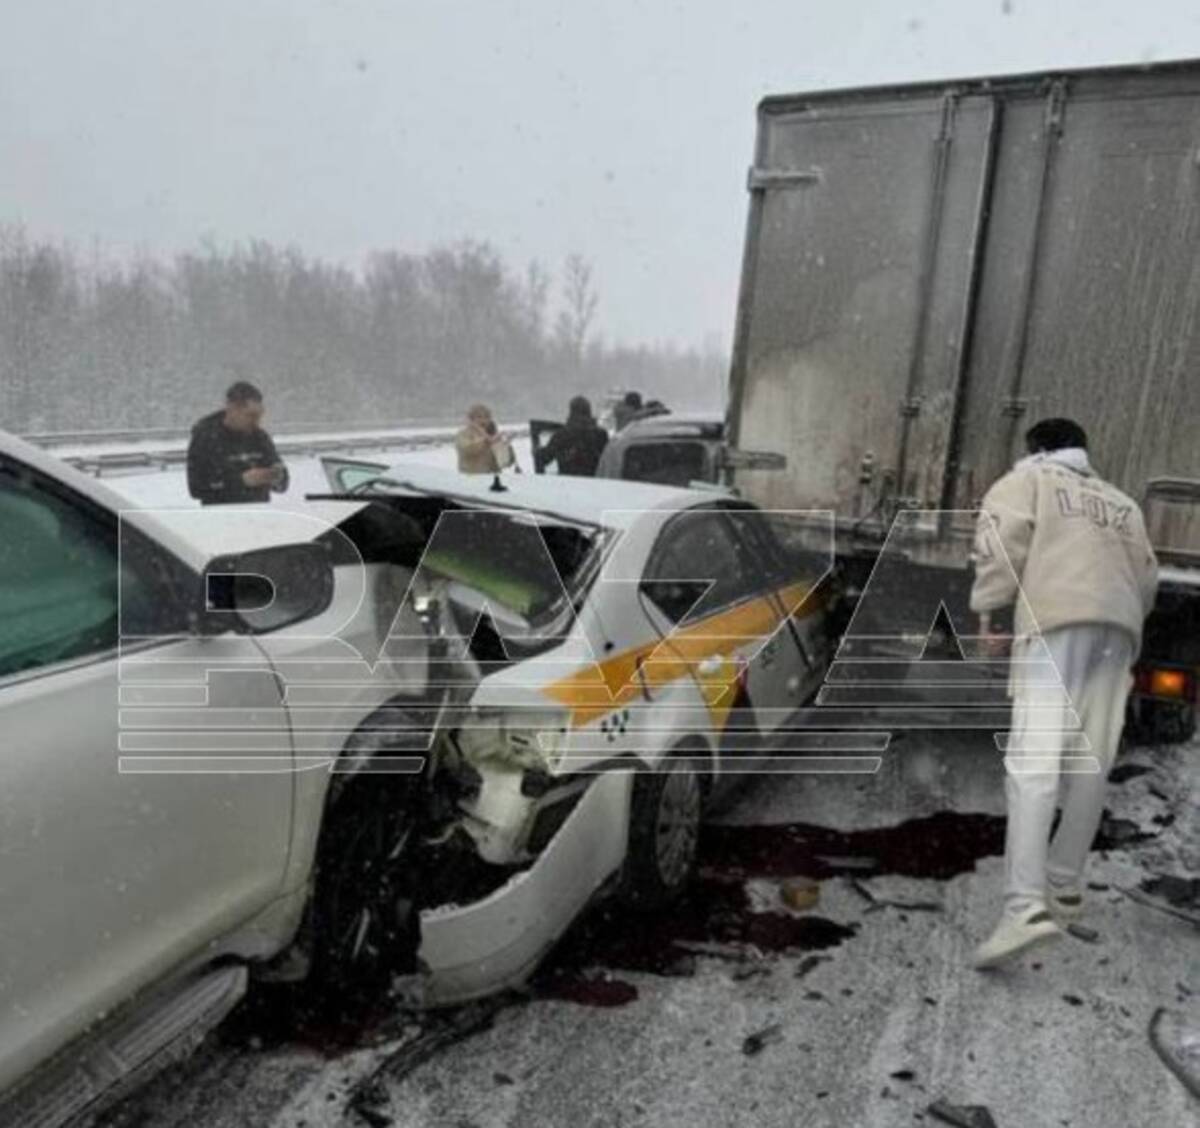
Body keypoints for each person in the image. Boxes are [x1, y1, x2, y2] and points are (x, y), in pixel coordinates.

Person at [969, 418, 1158, 969]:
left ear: (1036, 450)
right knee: (1088, 764)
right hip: (1118, 628)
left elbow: (1000, 545)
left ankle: (1025, 908)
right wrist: (1116, 618)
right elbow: (1147, 579)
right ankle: (1066, 886)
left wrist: (992, 611)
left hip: (1056, 623)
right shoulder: (1122, 503)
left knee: (1033, 764)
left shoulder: (1026, 480)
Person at [186, 381, 288, 505]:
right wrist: (241, 481)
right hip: (222, 516)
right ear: (232, 408)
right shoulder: (206, 438)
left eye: (259, 416)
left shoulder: (260, 437)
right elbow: (196, 488)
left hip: (259, 514)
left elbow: (283, 482)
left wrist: (275, 476)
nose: (257, 421)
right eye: (251, 415)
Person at [540, 396, 609, 477]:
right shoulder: (600, 434)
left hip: (569, 484)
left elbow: (545, 458)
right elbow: (607, 460)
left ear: (571, 412)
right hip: (595, 483)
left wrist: (538, 451)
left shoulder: (562, 435)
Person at [455, 404, 515, 475]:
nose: (483, 420)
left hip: (493, 477)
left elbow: (505, 463)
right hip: (471, 477)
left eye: (487, 417)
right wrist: (487, 441)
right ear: (471, 419)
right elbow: (468, 449)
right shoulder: (464, 433)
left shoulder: (492, 433)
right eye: (479, 417)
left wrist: (505, 446)